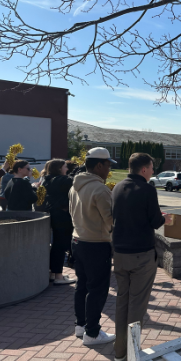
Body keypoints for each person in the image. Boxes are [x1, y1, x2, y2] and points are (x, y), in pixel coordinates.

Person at [110, 153, 171, 361]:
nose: (153, 171)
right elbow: (155, 221)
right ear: (144, 169)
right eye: (152, 167)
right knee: (137, 304)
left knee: (122, 300)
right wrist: (165, 219)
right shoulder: (147, 189)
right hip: (141, 254)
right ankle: (132, 351)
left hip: (119, 252)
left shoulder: (117, 187)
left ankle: (119, 351)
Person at [68, 147, 116, 346]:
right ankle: (93, 333)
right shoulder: (100, 189)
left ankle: (81, 326)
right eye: (107, 165)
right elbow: (110, 221)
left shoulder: (74, 186)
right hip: (96, 244)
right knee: (97, 289)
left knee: (82, 286)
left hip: (77, 240)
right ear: (98, 165)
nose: (109, 170)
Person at [39, 159, 75, 285]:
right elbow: (74, 181)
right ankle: (59, 276)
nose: (67, 169)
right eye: (65, 166)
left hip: (54, 213)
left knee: (56, 245)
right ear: (59, 168)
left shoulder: (46, 179)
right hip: (62, 215)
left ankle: (53, 273)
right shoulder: (61, 180)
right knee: (61, 244)